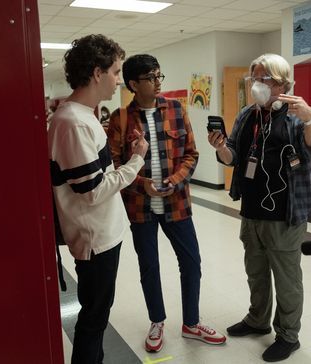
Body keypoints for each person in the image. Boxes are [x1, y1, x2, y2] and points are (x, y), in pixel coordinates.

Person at [106, 54, 226, 353]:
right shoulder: (120, 119)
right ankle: (157, 321)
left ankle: (192, 322)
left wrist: (174, 181)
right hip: (139, 208)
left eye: (160, 75)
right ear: (134, 84)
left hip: (177, 205)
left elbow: (191, 154)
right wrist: (141, 184)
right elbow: (115, 165)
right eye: (151, 77)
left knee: (191, 263)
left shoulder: (176, 109)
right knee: (149, 266)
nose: (158, 82)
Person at [207, 53, 311, 362]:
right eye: (252, 78)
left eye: (263, 78)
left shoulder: (300, 114)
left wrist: (310, 118)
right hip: (252, 209)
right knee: (255, 272)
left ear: (282, 83)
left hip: (286, 213)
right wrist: (220, 148)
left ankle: (288, 335)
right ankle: (257, 320)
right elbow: (233, 156)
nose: (256, 84)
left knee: (286, 279)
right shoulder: (247, 115)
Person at [48, 34, 149, 364]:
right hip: (95, 239)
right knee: (93, 320)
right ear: (96, 73)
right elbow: (92, 191)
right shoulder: (72, 122)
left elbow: (95, 173)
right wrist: (136, 162)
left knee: (98, 315)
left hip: (105, 233)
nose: (119, 80)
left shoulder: (81, 115)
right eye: (116, 71)